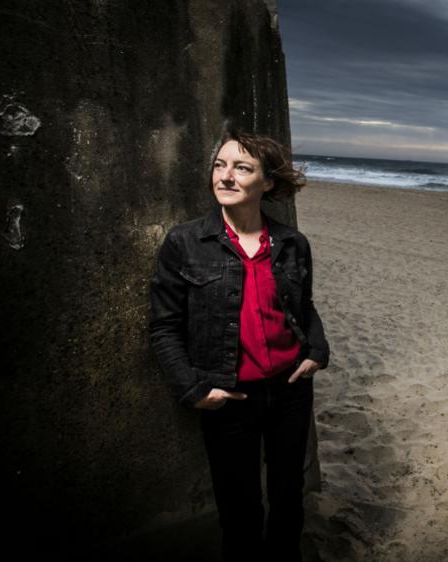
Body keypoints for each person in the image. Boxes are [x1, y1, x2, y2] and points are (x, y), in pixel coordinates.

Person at [149, 130, 330, 562]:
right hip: (229, 396)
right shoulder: (185, 242)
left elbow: (304, 309)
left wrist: (316, 353)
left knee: (289, 495)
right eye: (220, 165)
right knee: (239, 505)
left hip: (290, 391)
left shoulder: (290, 243)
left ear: (267, 183)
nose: (225, 177)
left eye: (242, 168)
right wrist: (193, 390)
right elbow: (164, 326)